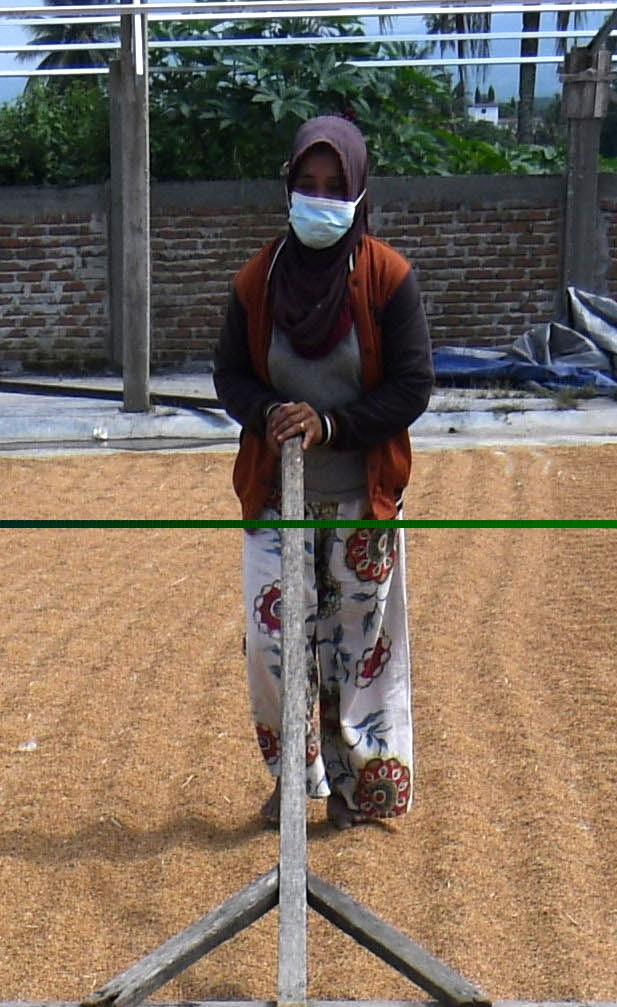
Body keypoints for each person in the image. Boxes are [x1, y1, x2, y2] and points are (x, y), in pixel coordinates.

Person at [210, 115, 431, 830]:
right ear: (287, 188)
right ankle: (292, 781)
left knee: (358, 648)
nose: (319, 199)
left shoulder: (387, 279)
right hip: (277, 495)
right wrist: (269, 413)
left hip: (362, 496)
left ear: (359, 190)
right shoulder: (259, 280)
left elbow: (412, 386)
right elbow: (229, 375)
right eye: (306, 184)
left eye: (334, 187)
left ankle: (356, 787)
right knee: (274, 645)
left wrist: (331, 425)